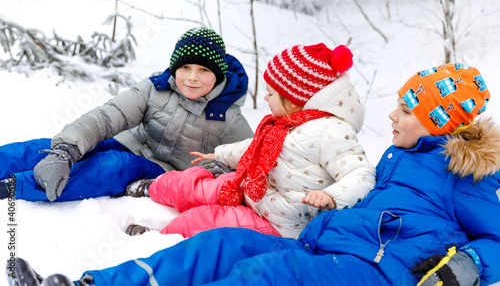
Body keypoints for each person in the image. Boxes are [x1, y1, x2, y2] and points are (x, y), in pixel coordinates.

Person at [7, 63, 500, 286]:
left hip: (373, 273)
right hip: (322, 248)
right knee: (217, 244)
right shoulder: (399, 157)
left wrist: (466, 267)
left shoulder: (464, 175)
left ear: (441, 121)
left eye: (406, 111)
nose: (391, 116)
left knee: (263, 274)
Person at [123, 43, 376, 239]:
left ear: (294, 98)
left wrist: (331, 197)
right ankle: (153, 188)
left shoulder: (332, 132)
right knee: (200, 182)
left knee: (207, 220)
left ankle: (160, 239)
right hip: (255, 188)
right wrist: (219, 154)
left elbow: (361, 174)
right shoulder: (285, 123)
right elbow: (253, 147)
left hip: (277, 222)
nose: (265, 98)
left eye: (271, 93)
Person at [0, 26, 253, 202]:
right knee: (57, 147)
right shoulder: (157, 88)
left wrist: (215, 169)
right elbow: (108, 116)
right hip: (128, 143)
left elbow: (251, 164)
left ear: (218, 75)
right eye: (185, 67)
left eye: (203, 70)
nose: (192, 78)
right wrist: (65, 150)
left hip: (163, 172)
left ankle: (15, 186)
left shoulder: (229, 118)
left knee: (114, 166)